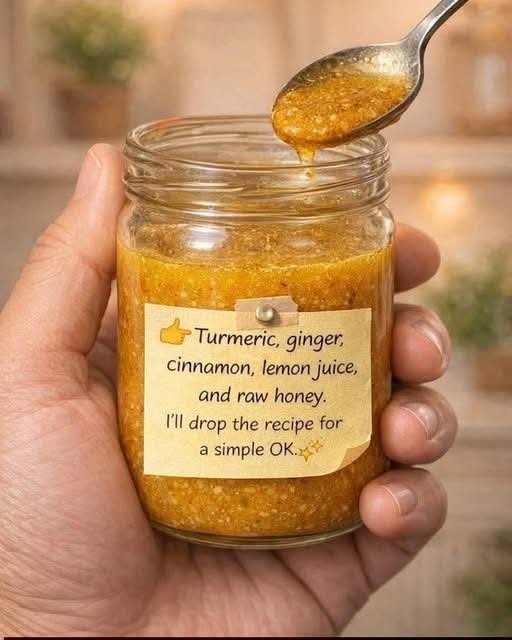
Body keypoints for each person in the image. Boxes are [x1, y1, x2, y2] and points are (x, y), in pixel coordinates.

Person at [0, 144, 456, 637]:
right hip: (142, 540)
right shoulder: (148, 228)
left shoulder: (365, 229)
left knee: (410, 392)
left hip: (331, 514)